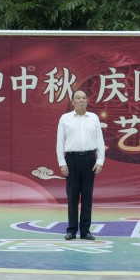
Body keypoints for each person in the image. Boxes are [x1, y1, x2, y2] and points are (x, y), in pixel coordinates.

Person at [55, 89, 105, 240]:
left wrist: (100, 161)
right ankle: (71, 230)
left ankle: (85, 230)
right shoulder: (65, 118)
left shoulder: (94, 118)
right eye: (78, 98)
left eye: (84, 98)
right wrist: (62, 162)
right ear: (72, 101)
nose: (81, 100)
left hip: (89, 159)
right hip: (72, 159)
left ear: (87, 101)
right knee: (72, 195)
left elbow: (99, 141)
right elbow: (60, 142)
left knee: (87, 196)